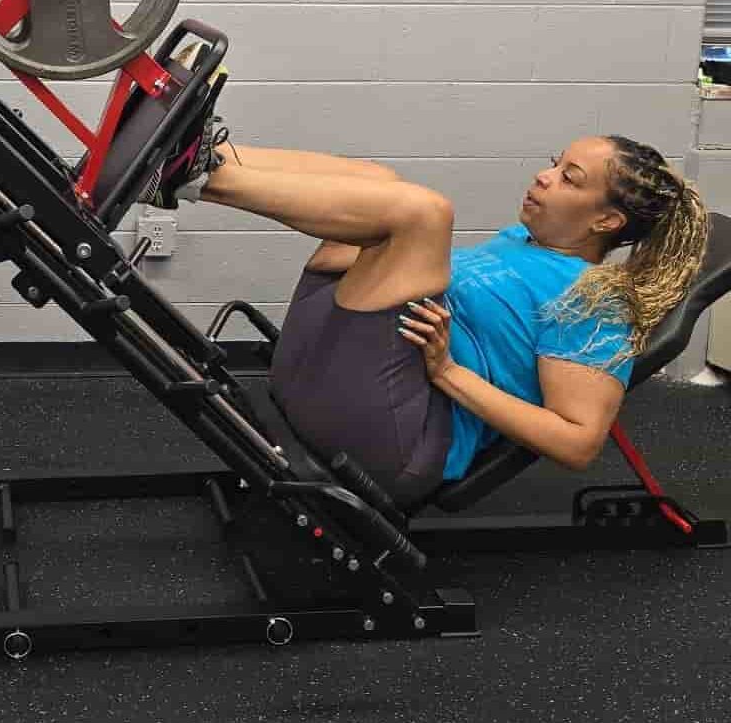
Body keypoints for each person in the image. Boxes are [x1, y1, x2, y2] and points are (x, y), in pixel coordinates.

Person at [138, 65, 710, 508]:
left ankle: (197, 175)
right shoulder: (523, 242)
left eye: (569, 179)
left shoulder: (598, 301)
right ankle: (194, 153)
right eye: (555, 163)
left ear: (606, 221)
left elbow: (578, 443)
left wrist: (449, 374)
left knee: (424, 213)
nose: (544, 175)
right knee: (378, 183)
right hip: (336, 375)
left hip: (395, 440)